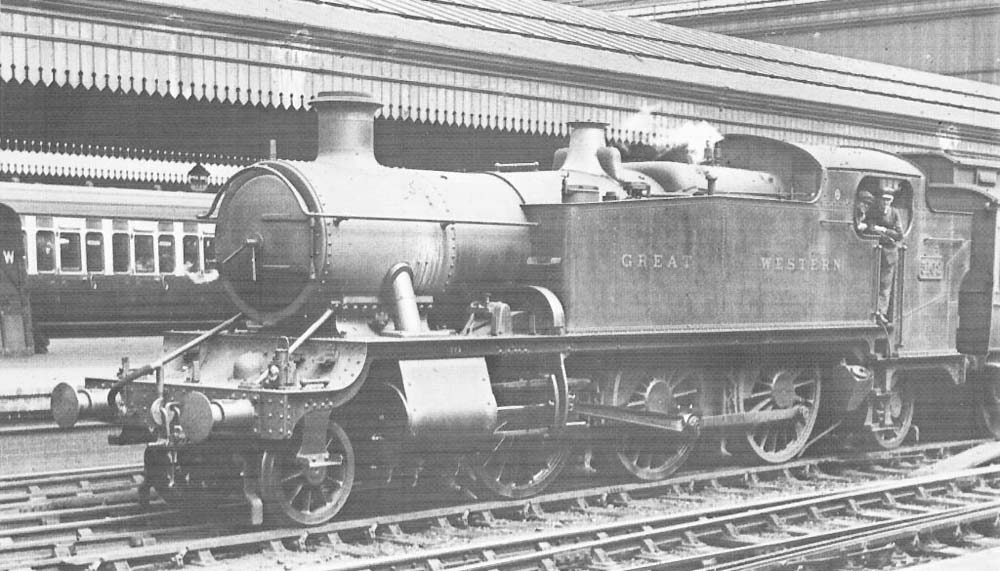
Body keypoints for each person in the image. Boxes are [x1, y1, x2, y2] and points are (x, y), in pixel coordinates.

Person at [864, 180, 904, 324]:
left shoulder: (895, 213)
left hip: (889, 253)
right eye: (884, 199)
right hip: (874, 252)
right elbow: (870, 227)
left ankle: (881, 313)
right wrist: (882, 232)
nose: (886, 202)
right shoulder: (874, 211)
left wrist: (883, 230)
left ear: (892, 200)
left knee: (885, 286)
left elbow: (899, 234)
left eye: (888, 199)